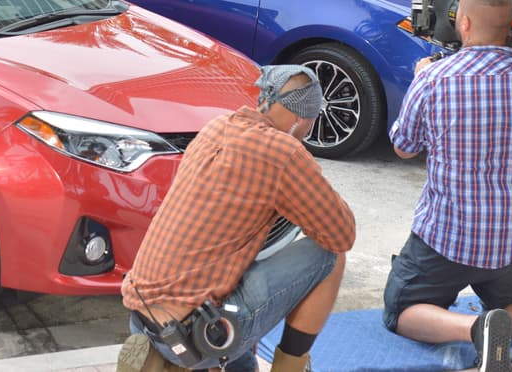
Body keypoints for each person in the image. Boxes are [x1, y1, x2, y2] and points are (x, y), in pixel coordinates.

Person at [384, 0, 512, 372]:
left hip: (448, 236)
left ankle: (478, 328)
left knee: (401, 310)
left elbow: (403, 146)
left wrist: (418, 79)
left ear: (463, 22)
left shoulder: (435, 79)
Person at [118, 64, 355, 372]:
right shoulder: (282, 151)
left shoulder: (216, 126)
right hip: (197, 331)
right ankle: (290, 367)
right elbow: (341, 234)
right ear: (301, 119)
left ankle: (169, 360)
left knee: (240, 275)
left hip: (143, 315)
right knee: (331, 258)